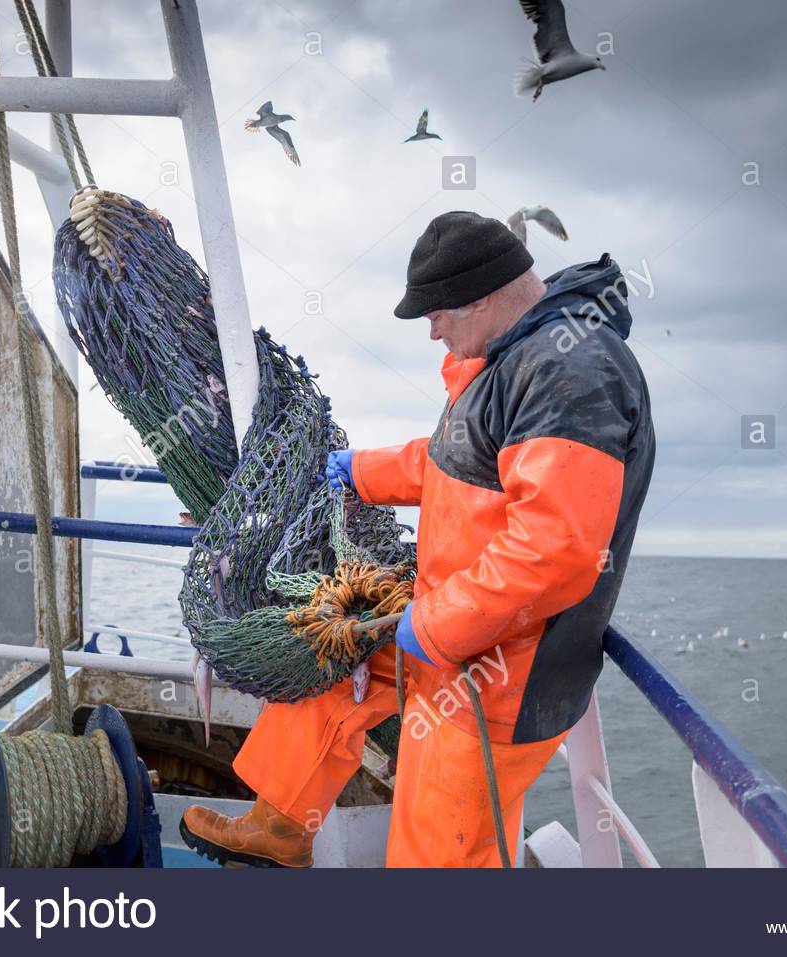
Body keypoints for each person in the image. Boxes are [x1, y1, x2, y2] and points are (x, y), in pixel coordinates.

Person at [180, 211, 656, 867]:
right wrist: (359, 472)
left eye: (436, 313)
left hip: (500, 676)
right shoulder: (513, 357)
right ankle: (280, 824)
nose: (431, 329)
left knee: (435, 853)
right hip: (454, 631)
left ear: (483, 294)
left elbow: (555, 552)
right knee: (325, 662)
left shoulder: (569, 373)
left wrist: (431, 624)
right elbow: (453, 461)